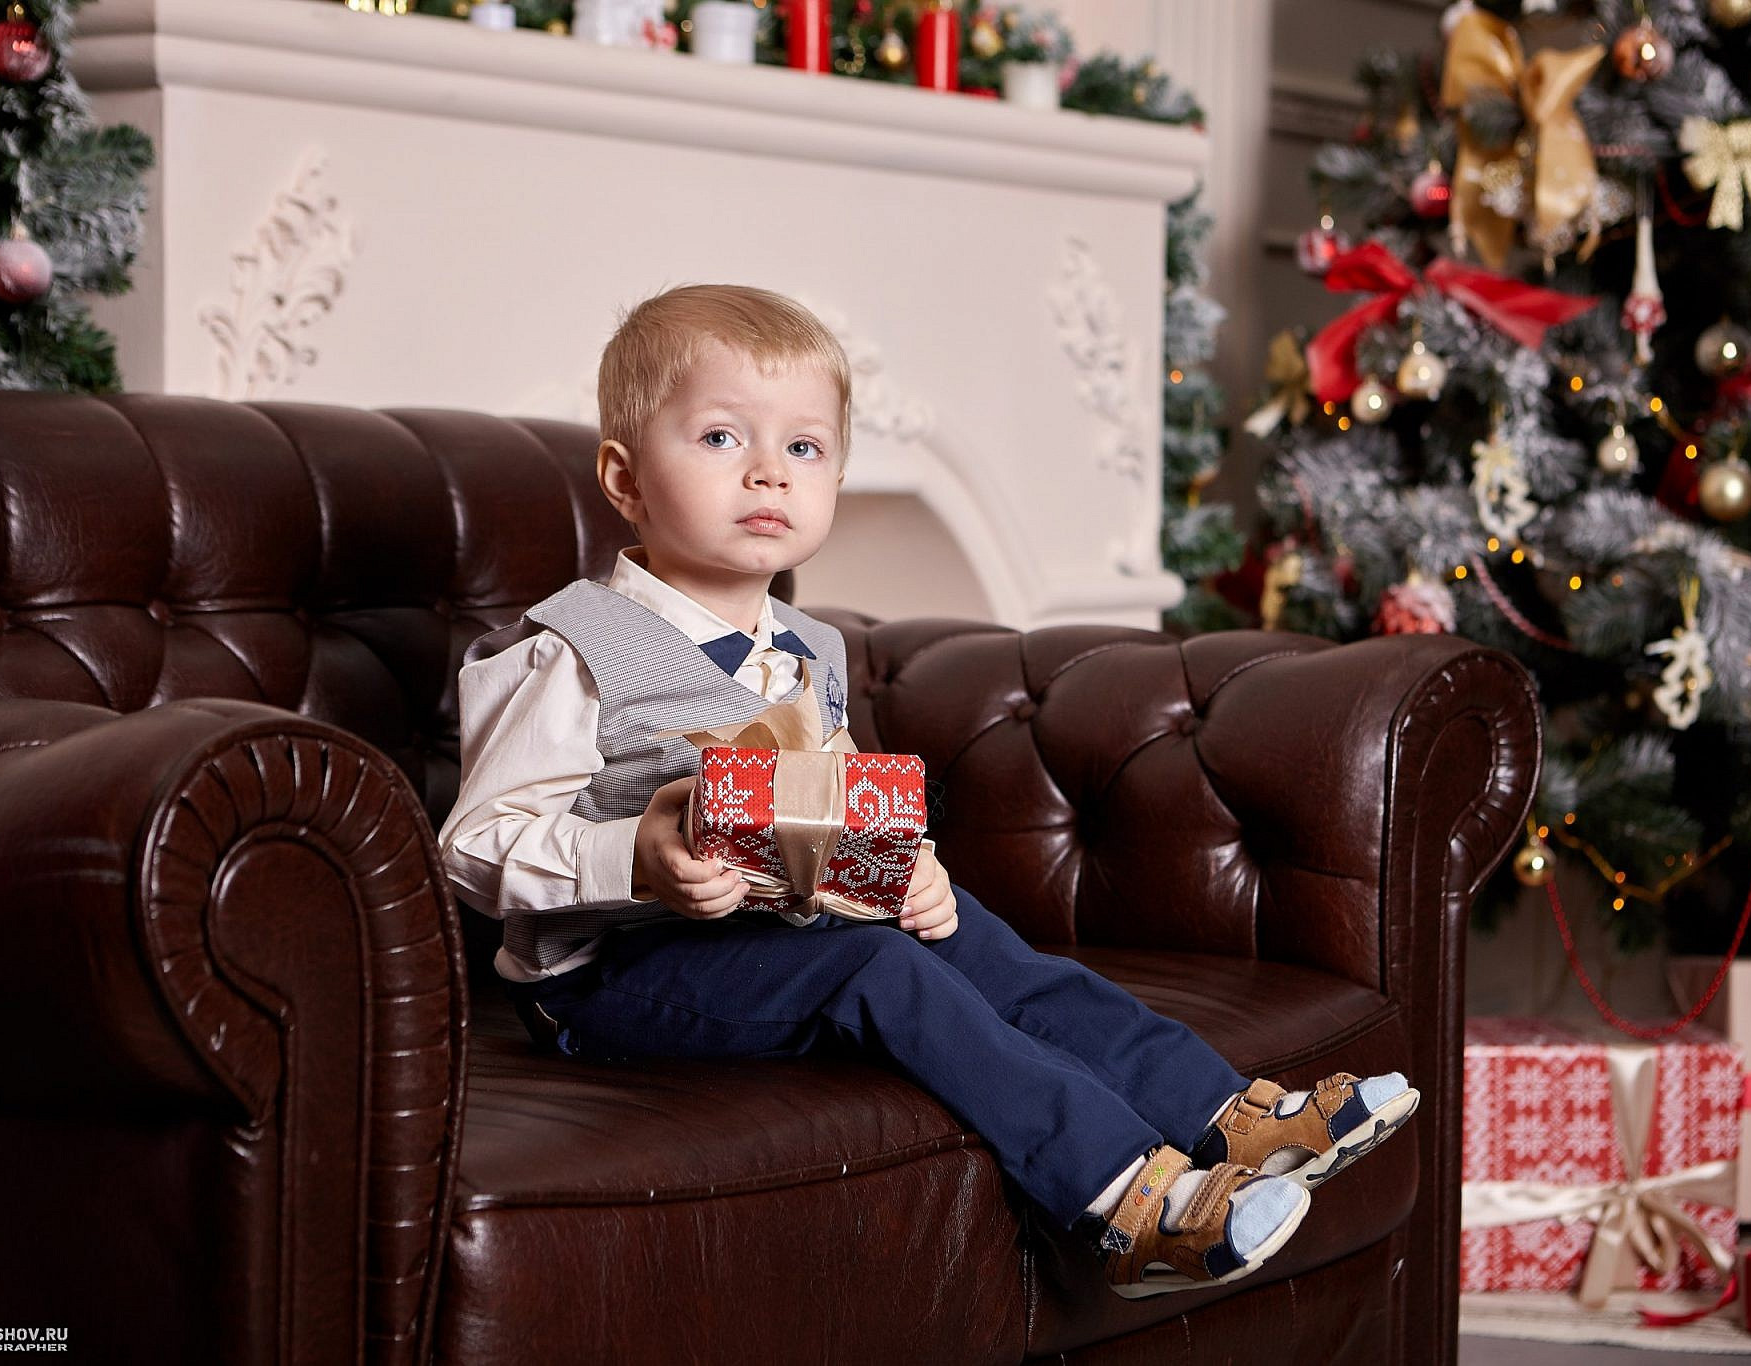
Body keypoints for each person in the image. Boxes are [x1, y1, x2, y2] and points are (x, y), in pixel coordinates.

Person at [436, 283, 1419, 1298]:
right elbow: (470, 845)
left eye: (804, 449)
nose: (769, 470)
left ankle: (1224, 1116)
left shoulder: (809, 646)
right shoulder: (569, 651)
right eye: (722, 437)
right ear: (626, 479)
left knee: (973, 939)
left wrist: (908, 870)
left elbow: (841, 800)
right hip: (609, 980)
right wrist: (632, 855)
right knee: (874, 967)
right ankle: (1126, 1202)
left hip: (772, 936)